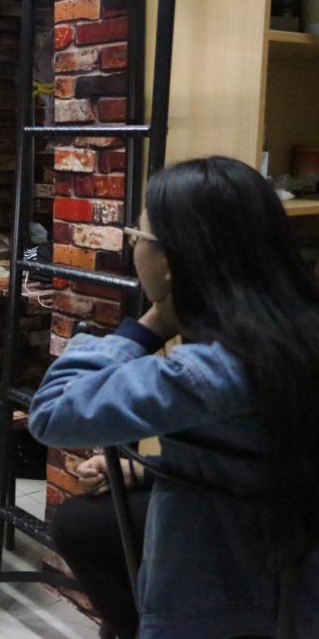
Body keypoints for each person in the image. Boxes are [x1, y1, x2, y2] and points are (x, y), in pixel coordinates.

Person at [28, 156, 319, 639]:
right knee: (84, 524)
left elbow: (54, 412)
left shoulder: (211, 369)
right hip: (279, 533)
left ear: (169, 263)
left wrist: (150, 325)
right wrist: (146, 469)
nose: (132, 246)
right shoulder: (291, 330)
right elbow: (267, 452)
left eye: (137, 236)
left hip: (234, 583)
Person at [49, 454, 151, 639]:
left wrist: (139, 471)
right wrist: (136, 470)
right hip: (184, 479)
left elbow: (201, 462)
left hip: (201, 499)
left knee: (73, 523)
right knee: (76, 520)